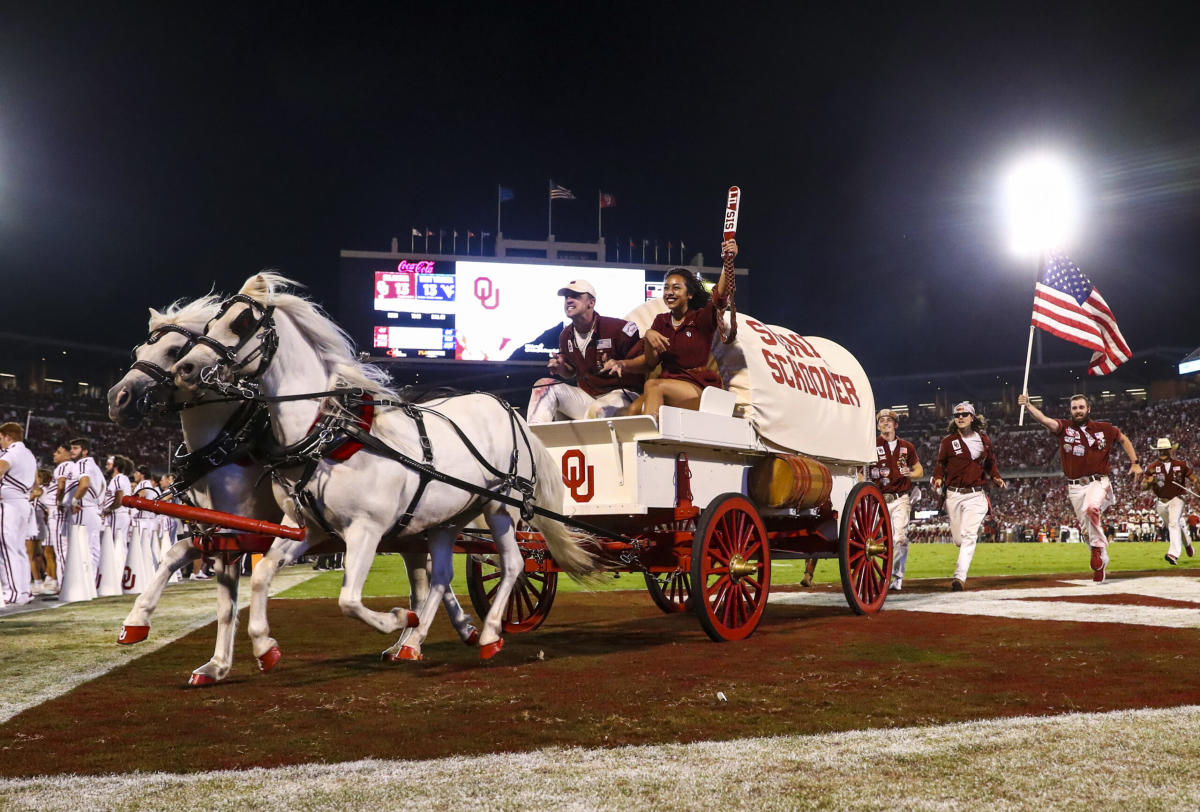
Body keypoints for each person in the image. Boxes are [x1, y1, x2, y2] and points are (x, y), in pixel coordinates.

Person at [602, 240, 737, 420]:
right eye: (666, 288)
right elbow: (649, 363)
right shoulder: (661, 321)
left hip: (696, 386)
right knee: (633, 410)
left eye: (676, 288)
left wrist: (728, 261)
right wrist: (624, 362)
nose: (669, 292)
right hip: (665, 386)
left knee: (653, 385)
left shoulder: (700, 318)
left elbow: (720, 296)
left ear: (689, 294)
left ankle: (652, 441)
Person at [1018, 392, 1141, 583]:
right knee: (1086, 530)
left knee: (1091, 508)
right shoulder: (1064, 428)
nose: (1078, 411)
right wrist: (1028, 406)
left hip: (1098, 481)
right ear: (1071, 410)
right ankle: (1102, 559)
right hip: (1074, 487)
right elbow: (1044, 420)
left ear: (1088, 409)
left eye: (1081, 407)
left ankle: (1097, 552)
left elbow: (1124, 439)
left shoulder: (1104, 428)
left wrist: (1135, 462)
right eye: (1074, 408)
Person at [526, 279, 644, 423]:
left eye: (575, 296)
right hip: (589, 397)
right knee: (543, 387)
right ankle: (534, 441)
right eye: (566, 297)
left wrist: (622, 363)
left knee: (598, 410)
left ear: (591, 303)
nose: (568, 300)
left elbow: (644, 363)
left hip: (623, 395)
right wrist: (562, 367)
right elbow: (570, 372)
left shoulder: (618, 329)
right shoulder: (566, 335)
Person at [930, 402, 1005, 591]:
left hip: (976, 495)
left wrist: (996, 477)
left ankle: (959, 577)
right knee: (958, 539)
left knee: (969, 535)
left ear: (972, 417)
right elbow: (940, 464)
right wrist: (938, 478)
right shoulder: (947, 442)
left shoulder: (984, 440)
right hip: (953, 495)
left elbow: (990, 463)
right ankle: (963, 553)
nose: (960, 418)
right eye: (957, 415)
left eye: (964, 414)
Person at [869, 409, 923, 591]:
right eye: (882, 420)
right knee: (876, 540)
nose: (885, 423)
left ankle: (897, 576)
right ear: (877, 426)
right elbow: (861, 472)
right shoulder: (870, 445)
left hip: (900, 498)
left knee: (899, 537)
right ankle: (877, 575)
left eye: (889, 420)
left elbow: (919, 471)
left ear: (896, 425)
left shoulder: (907, 446)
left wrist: (911, 473)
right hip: (877, 499)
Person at [1141, 437, 1200, 565]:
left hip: (1177, 499)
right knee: (1174, 525)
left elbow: (1194, 479)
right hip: (1161, 502)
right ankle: (1188, 544)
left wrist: (1198, 489)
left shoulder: (1181, 465)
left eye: (1165, 450)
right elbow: (1143, 485)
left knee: (1173, 524)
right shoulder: (1152, 467)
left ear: (1170, 450)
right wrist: (1149, 482)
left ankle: (1173, 554)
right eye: (1160, 450)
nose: (1162, 453)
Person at [0, 422, 38, 605]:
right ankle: (24, 591)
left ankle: (13, 592)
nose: (0, 443)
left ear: (8, 436)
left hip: (9, 504)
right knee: (19, 550)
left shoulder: (12, 453)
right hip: (23, 502)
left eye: (1, 438)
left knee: (7, 550)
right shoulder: (29, 454)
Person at [65, 437, 106, 574]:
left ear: (85, 451)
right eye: (71, 448)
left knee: (82, 548)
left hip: (83, 509)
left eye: (75, 448)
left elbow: (85, 484)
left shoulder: (83, 463)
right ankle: (90, 583)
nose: (72, 451)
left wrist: (73, 501)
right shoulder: (95, 467)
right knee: (91, 548)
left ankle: (84, 582)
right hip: (93, 509)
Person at [101, 455, 134, 555]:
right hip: (121, 515)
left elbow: (119, 498)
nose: (106, 467)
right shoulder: (123, 478)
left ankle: (118, 568)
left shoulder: (118, 478)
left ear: (115, 466)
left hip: (117, 515)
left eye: (108, 464)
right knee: (120, 544)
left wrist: (108, 509)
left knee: (115, 545)